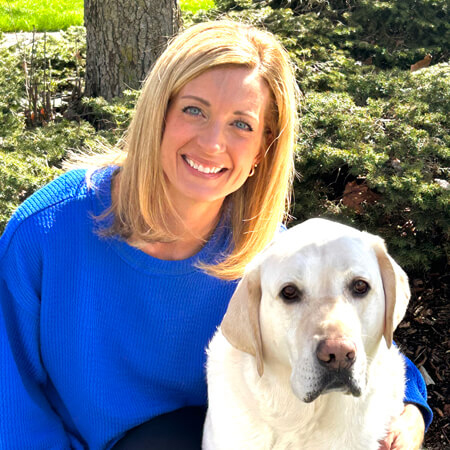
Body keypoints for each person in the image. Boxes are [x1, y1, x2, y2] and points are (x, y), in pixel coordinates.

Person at [0, 20, 431, 449]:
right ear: (158, 114)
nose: (211, 143)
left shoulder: (266, 255)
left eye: (241, 124)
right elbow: (11, 410)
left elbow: (344, 330)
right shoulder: (45, 233)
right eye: (194, 110)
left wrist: (410, 406)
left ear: (262, 149)